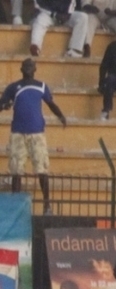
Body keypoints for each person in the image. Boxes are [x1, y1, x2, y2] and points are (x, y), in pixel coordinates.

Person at [0, 57, 66, 215]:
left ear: (35, 69)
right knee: (17, 170)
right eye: (26, 66)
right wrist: (5, 105)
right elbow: (1, 104)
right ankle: (16, 205)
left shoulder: (42, 86)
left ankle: (47, 205)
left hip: (37, 133)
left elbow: (50, 104)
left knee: (42, 169)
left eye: (31, 66)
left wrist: (61, 116)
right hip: (18, 133)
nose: (28, 68)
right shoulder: (13, 87)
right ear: (21, 69)